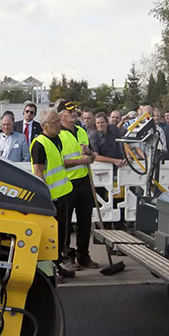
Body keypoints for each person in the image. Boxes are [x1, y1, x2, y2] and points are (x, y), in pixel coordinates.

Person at [30, 108, 87, 279]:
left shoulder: (56, 140)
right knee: (50, 237)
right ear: (44, 125)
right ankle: (49, 271)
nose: (58, 126)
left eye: (58, 122)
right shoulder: (39, 144)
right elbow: (38, 172)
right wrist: (45, 198)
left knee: (61, 233)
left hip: (63, 194)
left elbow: (59, 164)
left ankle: (57, 265)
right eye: (54, 123)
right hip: (51, 197)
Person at [60, 104, 99, 270]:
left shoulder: (82, 131)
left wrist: (89, 153)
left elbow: (93, 157)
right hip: (67, 183)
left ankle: (83, 254)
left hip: (84, 181)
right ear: (61, 115)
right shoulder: (58, 135)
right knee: (66, 222)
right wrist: (80, 161)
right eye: (69, 111)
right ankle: (67, 256)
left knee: (85, 221)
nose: (73, 113)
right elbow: (57, 162)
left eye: (74, 111)